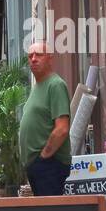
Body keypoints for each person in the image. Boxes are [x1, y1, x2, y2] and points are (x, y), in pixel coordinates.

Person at [18, 40, 72, 196]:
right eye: (30, 56)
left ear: (50, 58)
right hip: (38, 165)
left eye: (39, 55)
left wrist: (43, 156)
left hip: (49, 164)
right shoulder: (38, 85)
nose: (33, 59)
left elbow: (62, 129)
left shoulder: (55, 85)